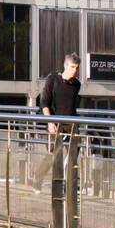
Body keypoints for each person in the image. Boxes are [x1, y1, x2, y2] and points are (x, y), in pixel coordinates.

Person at [33, 54, 81, 191]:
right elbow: (44, 103)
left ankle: (70, 184)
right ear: (65, 66)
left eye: (76, 68)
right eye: (72, 67)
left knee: (73, 154)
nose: (74, 70)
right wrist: (50, 122)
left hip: (71, 123)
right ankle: (38, 178)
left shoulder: (76, 84)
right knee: (53, 155)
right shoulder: (53, 80)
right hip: (54, 123)